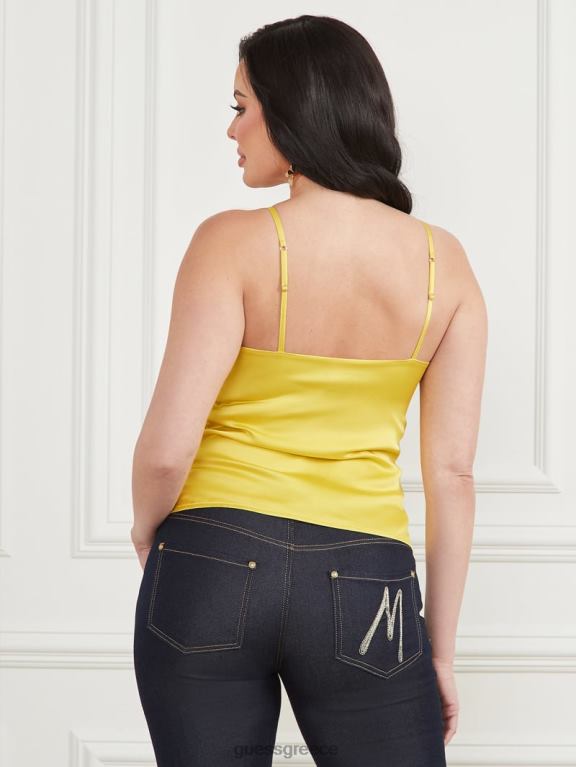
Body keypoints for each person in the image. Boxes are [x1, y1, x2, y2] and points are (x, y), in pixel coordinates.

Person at [131, 14, 487, 767]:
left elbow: (166, 450)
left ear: (291, 110)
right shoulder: (444, 264)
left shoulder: (229, 242)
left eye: (241, 107)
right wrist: (440, 651)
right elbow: (453, 474)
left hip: (211, 556)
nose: (232, 130)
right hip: (366, 581)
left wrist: (149, 535)